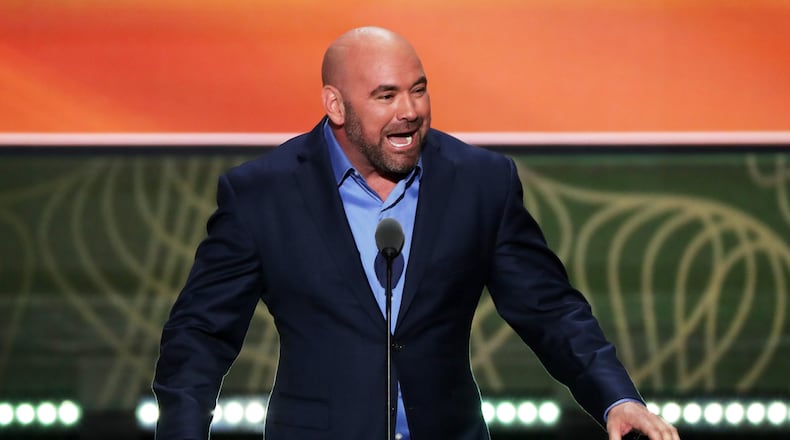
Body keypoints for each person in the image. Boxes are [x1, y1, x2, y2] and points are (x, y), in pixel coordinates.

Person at [152, 26, 680, 440]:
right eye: (386, 96)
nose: (410, 112)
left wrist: (617, 398)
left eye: (418, 90)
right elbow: (200, 333)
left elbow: (550, 309)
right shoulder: (262, 195)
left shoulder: (480, 182)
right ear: (336, 105)